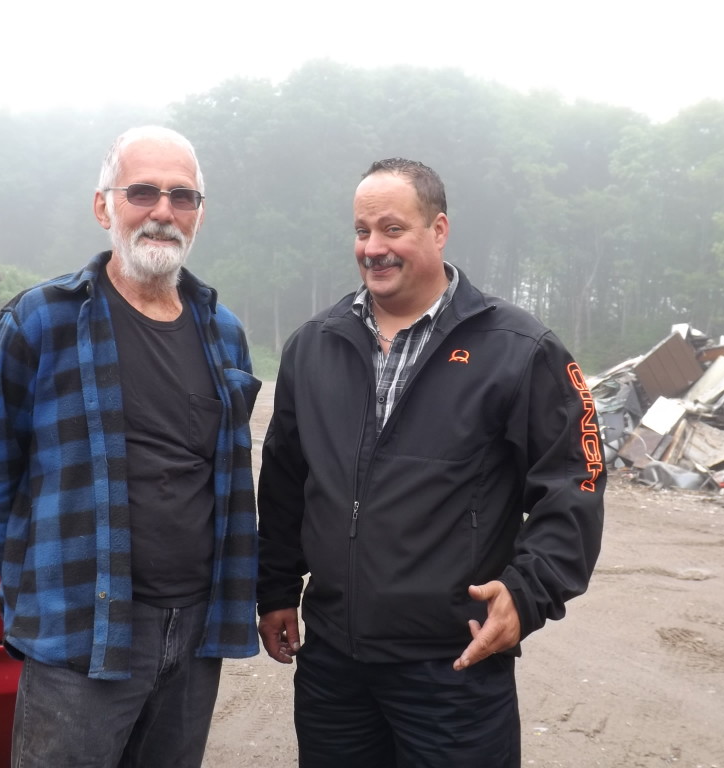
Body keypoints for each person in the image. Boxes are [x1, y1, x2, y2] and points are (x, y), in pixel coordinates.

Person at [256, 158, 605, 767]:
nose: (373, 248)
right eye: (362, 231)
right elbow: (286, 476)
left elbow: (574, 481)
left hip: (453, 666)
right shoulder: (314, 345)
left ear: (438, 230)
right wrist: (277, 588)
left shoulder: (519, 349)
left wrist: (526, 595)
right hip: (334, 665)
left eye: (393, 229)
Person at [0, 125, 261, 767]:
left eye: (183, 197)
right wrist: (34, 578)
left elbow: (224, 477)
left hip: (194, 632)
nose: (162, 212)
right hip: (79, 632)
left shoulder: (223, 332)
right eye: (143, 191)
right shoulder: (42, 320)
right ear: (104, 207)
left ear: (199, 215)